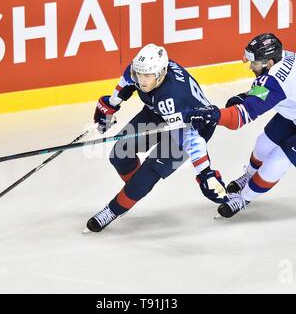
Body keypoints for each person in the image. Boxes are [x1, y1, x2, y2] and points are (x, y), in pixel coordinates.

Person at [186, 33, 296, 218]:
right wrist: (247, 96)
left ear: (269, 62)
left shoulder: (275, 80)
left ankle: (243, 198)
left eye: (255, 63)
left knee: (277, 161)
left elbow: (238, 119)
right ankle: (249, 176)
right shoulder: (283, 57)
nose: (251, 66)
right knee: (264, 143)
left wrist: (213, 116)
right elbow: (274, 90)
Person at [85, 43, 227, 233]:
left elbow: (190, 138)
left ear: (161, 73)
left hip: (189, 128)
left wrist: (205, 172)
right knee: (119, 154)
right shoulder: (141, 69)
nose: (142, 80)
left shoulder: (172, 97)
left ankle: (113, 210)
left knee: (148, 173)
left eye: (147, 76)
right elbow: (126, 83)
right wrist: (110, 106)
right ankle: (134, 190)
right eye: (139, 74)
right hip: (158, 114)